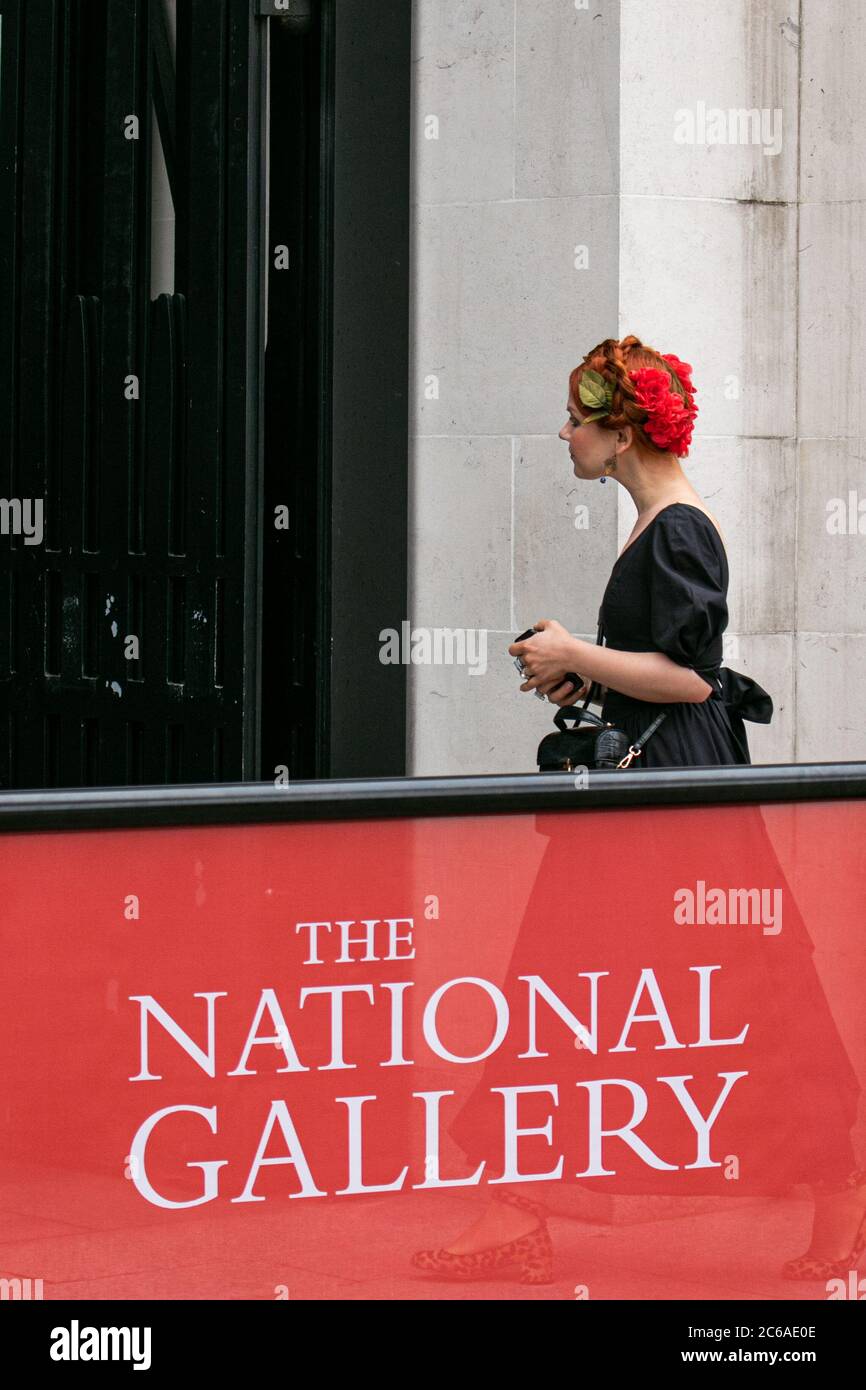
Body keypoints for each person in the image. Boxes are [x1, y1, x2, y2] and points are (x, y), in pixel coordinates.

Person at [410, 336, 865, 1286]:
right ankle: (519, 1202)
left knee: (729, 990)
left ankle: (841, 1191)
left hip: (677, 801)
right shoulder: (659, 524)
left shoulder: (677, 528)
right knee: (584, 982)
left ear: (622, 432)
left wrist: (580, 651)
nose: (564, 432)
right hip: (662, 790)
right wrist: (583, 670)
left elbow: (691, 681)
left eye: (579, 419)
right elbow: (665, 674)